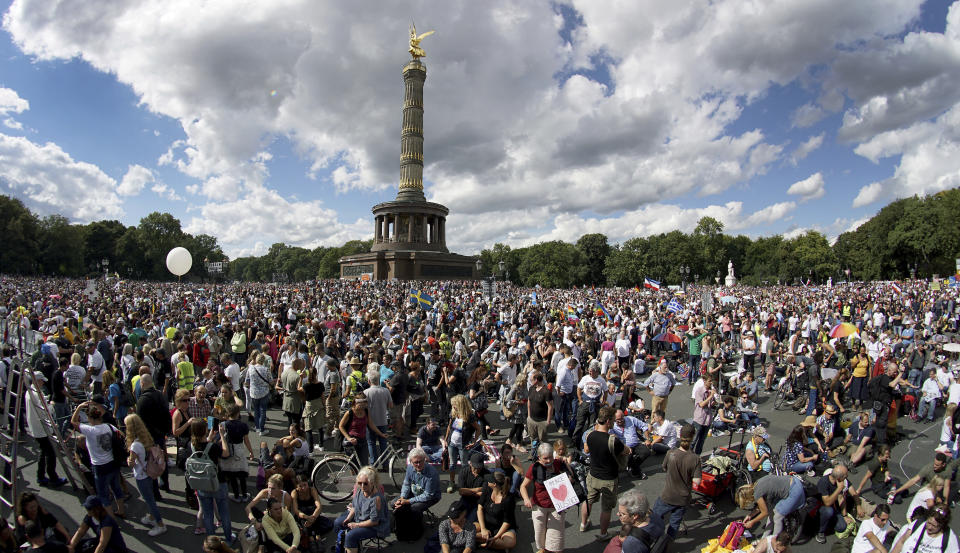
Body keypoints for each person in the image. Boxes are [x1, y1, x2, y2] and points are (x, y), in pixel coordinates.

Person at [70, 399, 125, 518]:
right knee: (116, 488)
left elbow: (73, 422)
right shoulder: (109, 426)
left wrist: (79, 407)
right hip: (112, 462)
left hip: (99, 466)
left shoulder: (89, 430)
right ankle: (121, 510)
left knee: (103, 494)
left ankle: (110, 518)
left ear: (90, 418)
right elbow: (121, 434)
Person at [581, 405, 627, 540]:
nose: (613, 422)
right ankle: (603, 533)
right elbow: (625, 451)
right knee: (606, 508)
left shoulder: (589, 435)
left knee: (588, 500)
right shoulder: (613, 440)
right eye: (612, 420)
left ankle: (583, 524)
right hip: (609, 478)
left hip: (593, 474)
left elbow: (587, 450)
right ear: (608, 421)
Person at [652, 423, 700, 539]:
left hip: (667, 495)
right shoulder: (695, 458)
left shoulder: (671, 453)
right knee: (674, 524)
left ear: (680, 435)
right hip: (682, 499)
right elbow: (697, 481)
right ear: (693, 437)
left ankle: (654, 537)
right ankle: (667, 543)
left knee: (655, 517)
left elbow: (664, 468)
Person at [189, 418, 234, 541]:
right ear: (204, 430)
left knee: (208, 514)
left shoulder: (192, 446)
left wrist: (210, 436)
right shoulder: (212, 446)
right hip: (218, 482)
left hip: (202, 483)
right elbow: (225, 453)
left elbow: (204, 444)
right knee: (224, 512)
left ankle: (211, 540)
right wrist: (222, 436)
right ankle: (228, 539)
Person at [123, 413, 167, 536]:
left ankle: (160, 524)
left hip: (141, 475)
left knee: (149, 500)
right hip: (149, 472)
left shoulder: (134, 445)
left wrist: (128, 460)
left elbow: (131, 464)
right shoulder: (146, 438)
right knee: (150, 497)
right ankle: (152, 517)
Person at [520, 442, 569, 553]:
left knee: (556, 538)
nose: (548, 461)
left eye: (550, 457)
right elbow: (523, 486)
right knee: (540, 534)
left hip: (556, 506)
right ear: (539, 457)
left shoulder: (557, 463)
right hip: (539, 506)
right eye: (545, 458)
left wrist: (566, 462)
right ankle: (543, 549)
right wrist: (526, 499)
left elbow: (570, 476)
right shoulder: (534, 468)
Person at [333, 466, 391, 553]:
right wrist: (348, 518)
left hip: (375, 527)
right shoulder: (360, 491)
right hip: (360, 517)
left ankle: (350, 546)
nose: (362, 486)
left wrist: (357, 525)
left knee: (351, 536)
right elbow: (355, 507)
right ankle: (343, 546)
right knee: (338, 523)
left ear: (371, 483)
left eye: (365, 483)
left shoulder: (377, 499)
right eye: (360, 483)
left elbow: (374, 521)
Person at [25, 373, 67, 488]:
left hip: (36, 428)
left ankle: (41, 476)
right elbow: (44, 410)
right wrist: (51, 406)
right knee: (50, 453)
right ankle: (53, 477)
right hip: (42, 428)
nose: (43, 383)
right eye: (41, 381)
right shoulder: (36, 394)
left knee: (44, 452)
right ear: (37, 381)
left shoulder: (29, 392)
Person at [742, 475, 806, 538]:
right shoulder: (757, 485)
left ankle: (773, 541)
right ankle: (764, 538)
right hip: (792, 481)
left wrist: (752, 522)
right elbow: (762, 508)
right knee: (771, 513)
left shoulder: (757, 494)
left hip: (794, 490)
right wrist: (750, 516)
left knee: (777, 517)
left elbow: (764, 512)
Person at [444, 394, 483, 493]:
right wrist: (445, 439)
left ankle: (465, 483)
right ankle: (452, 482)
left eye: (454, 405)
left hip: (463, 444)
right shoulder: (453, 413)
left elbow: (478, 429)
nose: (453, 407)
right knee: (452, 464)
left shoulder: (469, 416)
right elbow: (449, 427)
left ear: (460, 405)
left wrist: (474, 442)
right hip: (451, 443)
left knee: (464, 465)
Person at [890, 452, 956, 505]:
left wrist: (946, 502)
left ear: (943, 465)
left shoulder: (948, 470)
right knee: (934, 502)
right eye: (934, 463)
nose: (934, 466)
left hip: (939, 486)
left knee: (953, 488)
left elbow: (947, 486)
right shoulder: (928, 468)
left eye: (937, 465)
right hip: (928, 486)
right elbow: (914, 480)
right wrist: (897, 491)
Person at [475, 470, 518, 550]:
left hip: (502, 528)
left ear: (494, 484)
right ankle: (490, 542)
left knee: (510, 542)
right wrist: (483, 528)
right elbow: (479, 508)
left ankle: (485, 541)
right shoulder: (487, 489)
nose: (487, 482)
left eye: (489, 481)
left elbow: (507, 522)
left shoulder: (508, 499)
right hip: (487, 523)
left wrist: (496, 537)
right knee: (471, 529)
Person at [338, 396, 386, 467]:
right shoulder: (350, 412)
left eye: (364, 403)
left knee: (364, 464)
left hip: (363, 440)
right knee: (354, 466)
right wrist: (348, 438)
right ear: (354, 403)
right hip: (352, 441)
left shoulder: (366, 411)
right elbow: (341, 426)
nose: (362, 406)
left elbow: (371, 424)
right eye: (360, 403)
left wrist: (381, 434)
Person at [220, 403, 254, 502]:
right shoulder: (243, 425)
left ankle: (236, 496)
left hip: (228, 449)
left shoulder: (223, 425)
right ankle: (244, 494)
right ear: (238, 413)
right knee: (241, 474)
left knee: (232, 475)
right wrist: (251, 452)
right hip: (239, 449)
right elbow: (246, 440)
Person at [889, 506, 958, 553]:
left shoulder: (949, 538)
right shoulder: (918, 524)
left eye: (934, 526)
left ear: (942, 525)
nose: (929, 527)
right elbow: (901, 542)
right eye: (929, 523)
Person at [395, 447, 441, 515]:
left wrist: (408, 501)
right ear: (411, 462)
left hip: (431, 497)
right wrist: (402, 497)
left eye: (421, 461)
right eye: (416, 462)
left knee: (414, 508)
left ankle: (417, 523)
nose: (418, 465)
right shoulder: (410, 467)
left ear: (424, 460)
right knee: (394, 504)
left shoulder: (432, 473)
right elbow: (406, 484)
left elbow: (428, 495)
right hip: (416, 491)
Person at [362, 369, 393, 465]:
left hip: (370, 422)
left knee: (371, 443)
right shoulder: (385, 391)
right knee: (383, 443)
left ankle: (373, 463)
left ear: (369, 381)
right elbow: (390, 405)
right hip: (383, 420)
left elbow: (363, 408)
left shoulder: (366, 392)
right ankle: (385, 463)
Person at [816, 462, 851, 543]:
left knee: (842, 527)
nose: (847, 478)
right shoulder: (824, 482)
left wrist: (844, 515)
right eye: (845, 476)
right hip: (820, 508)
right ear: (839, 477)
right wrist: (839, 489)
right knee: (829, 511)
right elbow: (827, 503)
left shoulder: (839, 482)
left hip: (833, 508)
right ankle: (820, 531)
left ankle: (827, 523)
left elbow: (841, 498)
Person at [611, 409, 650, 479]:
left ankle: (632, 467)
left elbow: (644, 426)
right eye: (617, 420)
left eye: (621, 419)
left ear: (624, 416)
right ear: (614, 419)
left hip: (635, 444)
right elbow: (610, 436)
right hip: (623, 447)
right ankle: (637, 471)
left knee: (646, 451)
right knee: (628, 456)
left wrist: (647, 439)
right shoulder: (612, 425)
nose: (620, 421)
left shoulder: (631, 419)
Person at [526, 371, 554, 452]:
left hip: (542, 421)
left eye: (531, 380)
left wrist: (548, 421)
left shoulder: (546, 391)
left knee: (543, 442)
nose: (530, 382)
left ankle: (542, 456)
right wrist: (529, 416)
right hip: (531, 420)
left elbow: (550, 406)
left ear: (537, 380)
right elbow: (529, 401)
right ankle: (533, 453)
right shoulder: (531, 388)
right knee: (533, 439)